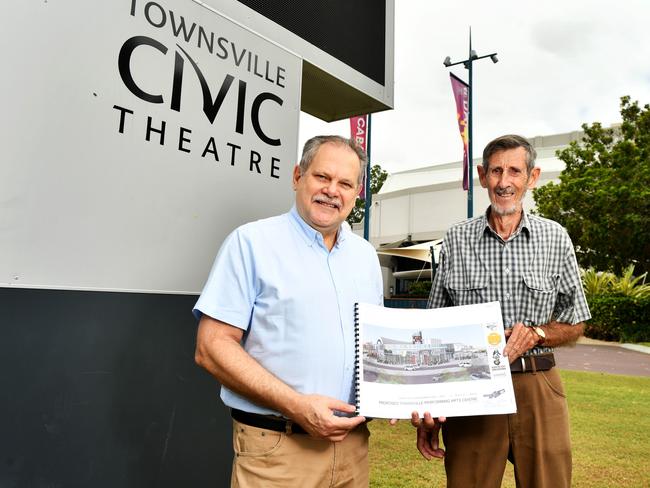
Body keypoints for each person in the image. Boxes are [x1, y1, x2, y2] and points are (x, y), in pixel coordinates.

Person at [193, 135, 383, 488]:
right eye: (322, 177)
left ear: (357, 193)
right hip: (278, 450)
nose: (332, 191)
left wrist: (404, 397)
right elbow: (211, 347)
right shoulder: (251, 243)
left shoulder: (366, 257)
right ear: (298, 176)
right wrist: (296, 406)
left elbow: (380, 348)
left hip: (354, 451)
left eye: (345, 183)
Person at [412, 134, 591, 488]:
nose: (504, 182)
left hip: (538, 383)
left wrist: (538, 333)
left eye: (514, 171)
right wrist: (429, 409)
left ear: (532, 177)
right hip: (471, 387)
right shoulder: (457, 239)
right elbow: (432, 330)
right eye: (496, 171)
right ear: (482, 175)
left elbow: (577, 321)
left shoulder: (555, 238)